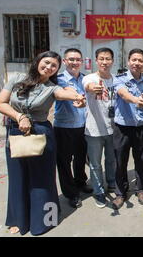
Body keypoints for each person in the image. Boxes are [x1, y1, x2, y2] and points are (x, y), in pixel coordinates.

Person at [0, 51, 85, 236]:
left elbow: (65, 92)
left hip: (42, 134)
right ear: (38, 62)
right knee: (18, 177)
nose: (49, 67)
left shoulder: (52, 87)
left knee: (43, 179)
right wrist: (19, 117)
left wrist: (77, 98)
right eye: (47, 63)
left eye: (54, 66)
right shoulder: (17, 79)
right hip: (16, 132)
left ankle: (46, 219)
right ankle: (19, 220)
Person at [111, 49, 143, 209]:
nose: (137, 63)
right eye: (134, 60)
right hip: (122, 127)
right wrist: (136, 100)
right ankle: (120, 193)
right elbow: (123, 95)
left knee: (141, 161)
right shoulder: (119, 79)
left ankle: (140, 189)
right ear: (128, 61)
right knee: (120, 161)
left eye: (140, 60)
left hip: (141, 127)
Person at [54, 48, 91, 209]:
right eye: (71, 59)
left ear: (82, 62)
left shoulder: (85, 79)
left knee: (81, 158)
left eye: (77, 59)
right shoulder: (58, 79)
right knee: (64, 161)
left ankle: (80, 182)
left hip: (82, 126)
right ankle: (70, 193)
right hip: (64, 127)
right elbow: (60, 94)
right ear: (64, 61)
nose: (74, 62)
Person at [82, 47, 117, 208]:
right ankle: (99, 191)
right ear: (96, 60)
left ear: (112, 61)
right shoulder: (89, 78)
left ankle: (111, 183)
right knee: (95, 163)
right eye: (101, 58)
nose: (105, 62)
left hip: (112, 128)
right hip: (93, 130)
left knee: (111, 160)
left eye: (108, 58)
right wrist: (92, 88)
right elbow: (88, 86)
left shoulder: (115, 80)